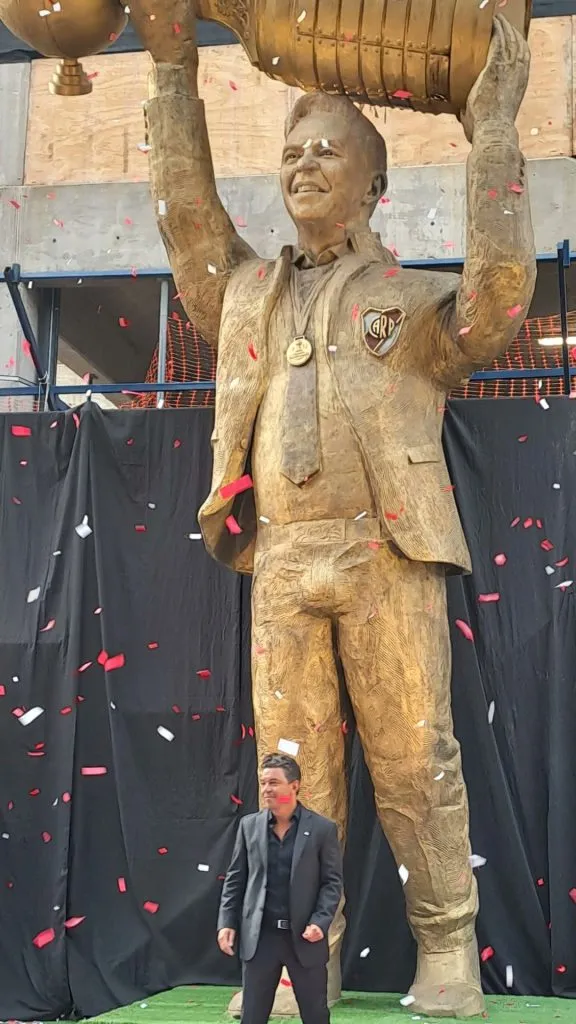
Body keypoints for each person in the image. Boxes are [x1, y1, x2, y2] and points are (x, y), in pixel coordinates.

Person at [130, 0, 536, 1015]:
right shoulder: (248, 296)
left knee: (413, 761)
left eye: (329, 150)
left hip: (385, 555)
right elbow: (189, 224)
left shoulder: (413, 303)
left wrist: (493, 133)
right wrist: (174, 75)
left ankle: (448, 951)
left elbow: (498, 298)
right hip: (282, 560)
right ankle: (300, 959)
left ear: (376, 184)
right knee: (290, 781)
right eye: (293, 149)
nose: (304, 163)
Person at [217, 754, 343, 1024]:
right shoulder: (249, 826)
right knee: (252, 1016)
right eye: (263, 783)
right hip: (260, 938)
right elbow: (236, 879)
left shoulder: (322, 829)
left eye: (273, 782)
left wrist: (320, 922)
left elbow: (332, 883)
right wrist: (226, 922)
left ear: (294, 786)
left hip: (304, 938)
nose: (266, 789)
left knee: (315, 1015)